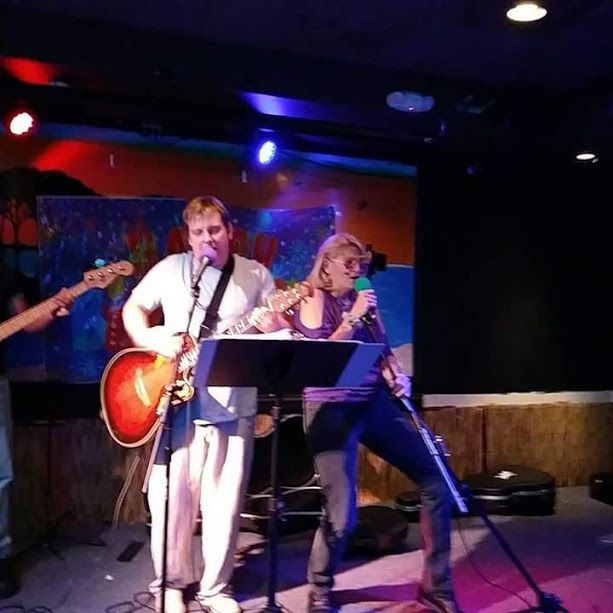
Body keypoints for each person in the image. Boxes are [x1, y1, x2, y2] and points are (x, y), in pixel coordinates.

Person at [122, 195, 285, 613]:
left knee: (224, 505)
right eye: (198, 232)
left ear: (229, 231)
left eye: (214, 230)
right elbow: (134, 307)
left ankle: (216, 589)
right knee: (171, 502)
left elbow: (278, 334)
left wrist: (274, 323)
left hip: (234, 406)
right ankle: (170, 585)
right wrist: (151, 337)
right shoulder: (170, 269)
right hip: (177, 405)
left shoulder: (255, 275)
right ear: (188, 236)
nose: (207, 238)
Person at [293, 233, 461, 613]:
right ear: (327, 264)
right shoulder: (313, 296)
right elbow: (322, 358)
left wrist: (395, 374)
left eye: (362, 264)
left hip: (372, 401)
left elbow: (382, 348)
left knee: (436, 478)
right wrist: (353, 317)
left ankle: (436, 588)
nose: (357, 270)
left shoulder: (366, 299)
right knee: (342, 514)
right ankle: (319, 589)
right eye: (349, 263)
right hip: (330, 409)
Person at [0, 265, 73, 600]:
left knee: (0, 474)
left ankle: (1, 558)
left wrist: (54, 307)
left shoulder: (3, 272)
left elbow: (26, 321)